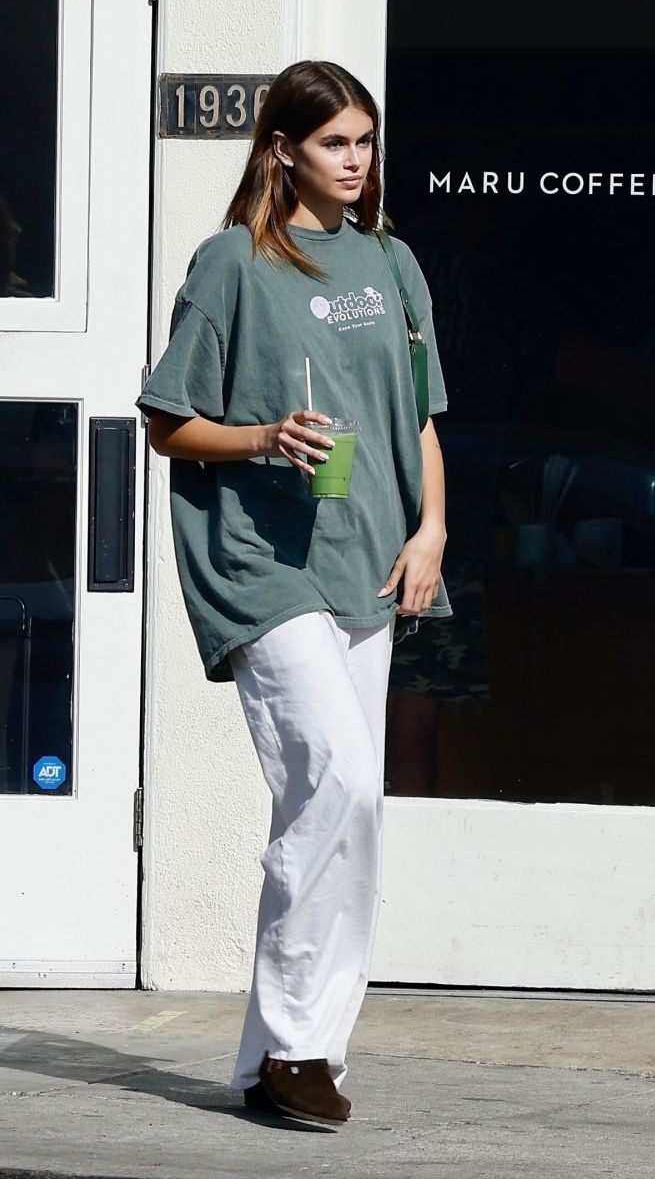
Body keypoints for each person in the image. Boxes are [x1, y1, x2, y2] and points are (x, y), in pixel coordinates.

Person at [137, 60, 451, 1127]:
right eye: (333, 143)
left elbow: (419, 418)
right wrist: (265, 437)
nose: (355, 161)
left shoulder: (393, 262)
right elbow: (167, 421)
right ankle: (296, 1049)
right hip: (260, 562)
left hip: (370, 559)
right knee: (341, 785)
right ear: (283, 149)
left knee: (345, 811)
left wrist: (432, 530)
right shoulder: (232, 262)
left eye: (364, 141)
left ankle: (279, 1058)